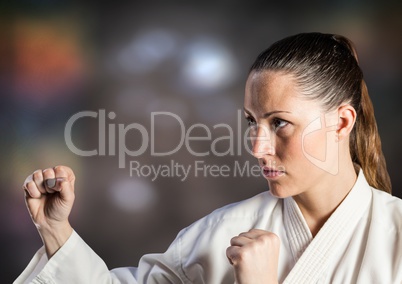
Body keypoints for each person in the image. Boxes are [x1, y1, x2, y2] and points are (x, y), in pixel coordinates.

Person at [15, 33, 402, 284]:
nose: (257, 146)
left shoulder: (396, 235)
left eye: (280, 123)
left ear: (342, 122)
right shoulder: (221, 234)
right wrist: (55, 229)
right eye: (252, 121)